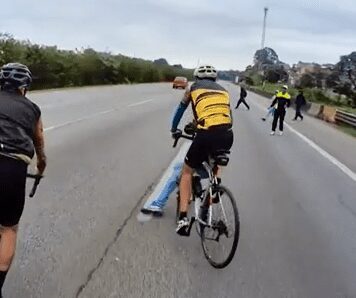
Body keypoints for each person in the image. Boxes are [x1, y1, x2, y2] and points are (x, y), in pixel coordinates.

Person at [0, 63, 47, 297]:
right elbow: (39, 140)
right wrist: (41, 166)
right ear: (24, 87)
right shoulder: (33, 109)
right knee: (9, 228)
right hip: (12, 167)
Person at [170, 64, 234, 235]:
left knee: (186, 172)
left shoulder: (192, 88)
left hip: (206, 134)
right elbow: (228, 118)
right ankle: (215, 189)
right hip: (227, 135)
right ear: (215, 79)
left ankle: (183, 219)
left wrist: (174, 129)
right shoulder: (224, 91)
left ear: (197, 78)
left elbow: (180, 110)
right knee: (216, 162)